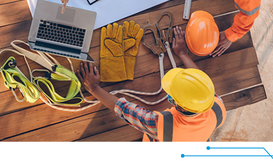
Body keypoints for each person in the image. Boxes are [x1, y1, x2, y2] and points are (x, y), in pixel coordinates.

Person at [78, 26, 226, 142]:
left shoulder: (161, 126)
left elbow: (125, 110)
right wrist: (182, 53)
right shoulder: (217, 106)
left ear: (177, 103)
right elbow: (198, 84)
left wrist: (94, 88)